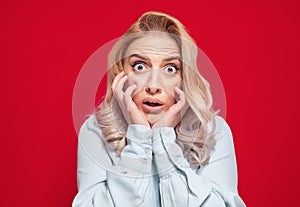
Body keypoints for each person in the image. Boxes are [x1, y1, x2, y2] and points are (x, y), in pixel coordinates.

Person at [72, 11, 246, 207]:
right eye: (139, 66)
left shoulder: (213, 131)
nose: (153, 85)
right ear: (121, 74)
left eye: (170, 68)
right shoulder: (96, 130)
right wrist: (139, 137)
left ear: (184, 78)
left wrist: (163, 140)